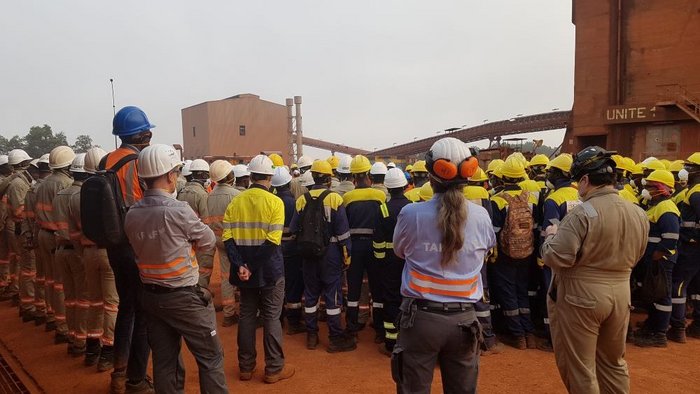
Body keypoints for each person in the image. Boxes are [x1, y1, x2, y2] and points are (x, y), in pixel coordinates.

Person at [541, 146, 648, 394]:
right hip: (621, 291)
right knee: (614, 363)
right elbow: (639, 254)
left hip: (582, 294)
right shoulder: (638, 213)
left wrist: (550, 237)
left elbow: (556, 256)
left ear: (586, 180)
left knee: (581, 368)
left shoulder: (583, 212)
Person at [392, 137, 494, 394]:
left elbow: (400, 252)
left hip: (421, 320)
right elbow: (485, 253)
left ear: (431, 175)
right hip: (464, 321)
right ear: (469, 173)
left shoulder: (411, 214)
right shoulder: (482, 216)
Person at [124, 144, 228, 393]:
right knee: (210, 357)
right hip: (183, 297)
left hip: (151, 296)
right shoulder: (178, 210)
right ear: (170, 174)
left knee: (165, 361)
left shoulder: (132, 213)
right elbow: (208, 241)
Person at [222, 154, 295, 384]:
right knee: (272, 317)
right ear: (270, 177)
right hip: (270, 270)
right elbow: (273, 242)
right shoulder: (275, 203)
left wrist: (242, 266)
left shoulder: (235, 203)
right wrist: (251, 267)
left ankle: (246, 368)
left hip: (244, 272)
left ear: (250, 176)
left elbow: (228, 239)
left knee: (246, 316)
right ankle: (273, 369)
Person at [103, 106, 153, 394]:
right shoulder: (136, 163)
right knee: (142, 311)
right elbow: (141, 206)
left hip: (113, 245)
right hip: (133, 246)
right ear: (142, 134)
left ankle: (118, 375)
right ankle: (136, 380)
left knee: (126, 308)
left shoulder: (107, 161)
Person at [289, 160, 357, 352]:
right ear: (328, 179)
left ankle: (312, 335)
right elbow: (343, 233)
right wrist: (347, 255)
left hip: (308, 255)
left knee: (310, 295)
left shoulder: (302, 200)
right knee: (332, 295)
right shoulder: (334, 199)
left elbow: (294, 229)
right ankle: (335, 337)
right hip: (331, 255)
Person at [489, 156, 539, 349]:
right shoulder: (531, 197)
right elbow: (535, 226)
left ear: (502, 178)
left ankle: (518, 336)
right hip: (527, 252)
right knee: (522, 290)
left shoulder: (498, 200)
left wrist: (493, 254)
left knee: (508, 291)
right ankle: (529, 333)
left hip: (505, 253)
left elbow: (494, 230)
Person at [78, 147, 118, 371]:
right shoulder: (109, 189)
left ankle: (91, 348)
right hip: (106, 252)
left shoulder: (78, 192)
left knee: (93, 301)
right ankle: (108, 352)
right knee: (112, 304)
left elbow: (72, 230)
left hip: (86, 252)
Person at [342, 155, 389, 342]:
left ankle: (352, 326)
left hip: (355, 247)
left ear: (353, 176)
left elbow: (344, 225)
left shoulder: (347, 198)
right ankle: (379, 328)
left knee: (353, 287)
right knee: (377, 288)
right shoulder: (380, 196)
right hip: (374, 246)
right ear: (368, 174)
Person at [535, 153, 578, 352]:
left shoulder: (553, 200)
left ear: (561, 173)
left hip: (556, 255)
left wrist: (542, 255)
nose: (548, 175)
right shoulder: (581, 195)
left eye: (551, 171)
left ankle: (552, 337)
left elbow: (548, 231)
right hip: (577, 255)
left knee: (552, 294)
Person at [633, 170, 679, 348]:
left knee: (662, 295)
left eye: (650, 186)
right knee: (652, 294)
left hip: (661, 261)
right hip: (652, 260)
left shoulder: (666, 208)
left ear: (660, 188)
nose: (646, 189)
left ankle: (660, 333)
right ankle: (652, 326)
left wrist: (656, 256)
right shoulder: (655, 205)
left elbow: (671, 237)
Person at [35, 146, 76, 344]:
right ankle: (63, 326)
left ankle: (52, 317)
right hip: (57, 237)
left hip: (43, 233)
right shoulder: (65, 184)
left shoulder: (41, 184)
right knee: (61, 284)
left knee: (50, 280)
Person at [53, 153, 89, 356]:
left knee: (70, 297)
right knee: (84, 298)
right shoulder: (83, 196)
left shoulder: (60, 195)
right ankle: (82, 341)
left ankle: (73, 337)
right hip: (78, 251)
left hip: (60, 250)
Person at [372, 167, 411, 357]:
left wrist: (379, 262)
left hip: (388, 261)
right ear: (404, 186)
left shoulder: (383, 209)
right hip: (410, 260)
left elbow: (378, 240)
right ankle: (410, 339)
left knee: (391, 299)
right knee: (410, 297)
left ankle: (391, 341)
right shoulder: (412, 207)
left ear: (387, 188)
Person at [205, 160, 241, 327]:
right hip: (235, 240)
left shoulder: (209, 196)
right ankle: (247, 310)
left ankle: (228, 313)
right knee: (243, 271)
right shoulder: (236, 195)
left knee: (226, 276)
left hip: (218, 240)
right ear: (229, 176)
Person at [669, 152, 700, 342]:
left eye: (690, 167)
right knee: (697, 287)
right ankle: (697, 324)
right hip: (695, 247)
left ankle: (677, 327)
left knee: (678, 285)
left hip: (691, 247)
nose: (686, 171)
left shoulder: (696, 192)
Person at [272, 167, 305, 335]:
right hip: (292, 249)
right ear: (288, 182)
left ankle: (277, 318)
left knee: (276, 284)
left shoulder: (271, 201)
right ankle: (293, 321)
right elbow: (298, 228)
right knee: (293, 284)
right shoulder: (294, 202)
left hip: (273, 249)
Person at [19, 154, 50, 322]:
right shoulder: (53, 187)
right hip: (52, 238)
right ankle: (48, 310)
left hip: (36, 235)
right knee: (52, 278)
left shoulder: (32, 189)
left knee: (40, 274)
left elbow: (27, 216)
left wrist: (29, 235)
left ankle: (39, 308)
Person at [1, 149, 33, 306]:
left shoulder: (18, 180)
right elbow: (19, 210)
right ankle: (18, 292)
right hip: (18, 225)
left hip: (15, 225)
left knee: (17, 259)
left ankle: (15, 289)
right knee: (22, 261)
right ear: (22, 163)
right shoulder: (19, 183)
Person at [178, 158, 214, 288]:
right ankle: (201, 292)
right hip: (199, 237)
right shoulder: (202, 195)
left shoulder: (181, 192)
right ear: (204, 174)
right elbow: (206, 221)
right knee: (203, 267)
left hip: (184, 238)